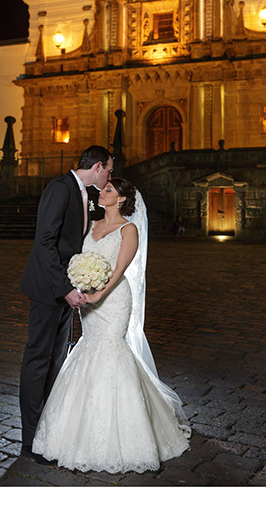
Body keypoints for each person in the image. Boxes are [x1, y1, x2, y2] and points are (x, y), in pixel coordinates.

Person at [32, 178, 190, 472]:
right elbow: (79, 259)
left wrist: (99, 293)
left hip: (113, 299)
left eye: (107, 190)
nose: (100, 193)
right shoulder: (90, 226)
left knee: (111, 351)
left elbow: (119, 269)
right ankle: (75, 432)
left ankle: (127, 434)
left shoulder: (129, 229)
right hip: (88, 302)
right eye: (102, 189)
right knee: (88, 349)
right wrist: (79, 284)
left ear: (121, 199)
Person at [18, 145, 113, 462]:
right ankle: (30, 440)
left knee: (57, 361)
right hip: (48, 289)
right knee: (38, 360)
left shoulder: (83, 193)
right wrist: (64, 288)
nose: (109, 176)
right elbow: (44, 241)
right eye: (108, 170)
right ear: (98, 166)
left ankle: (49, 431)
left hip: (64, 290)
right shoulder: (60, 189)